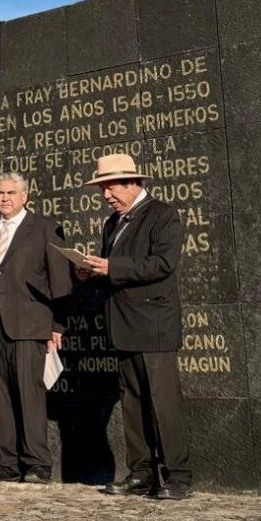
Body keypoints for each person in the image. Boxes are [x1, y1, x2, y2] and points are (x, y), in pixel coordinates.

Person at [76, 154, 192, 500]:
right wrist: (91, 273)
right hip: (122, 326)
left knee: (162, 403)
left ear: (133, 183)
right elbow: (113, 272)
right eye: (102, 189)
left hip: (154, 324)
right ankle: (141, 473)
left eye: (110, 188)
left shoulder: (163, 214)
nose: (106, 195)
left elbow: (162, 263)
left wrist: (112, 267)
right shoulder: (112, 223)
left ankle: (178, 477)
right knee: (132, 403)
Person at [0, 173, 73, 484]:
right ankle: (7, 464)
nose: (5, 198)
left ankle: (38, 464)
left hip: (29, 325)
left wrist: (57, 325)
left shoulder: (45, 229)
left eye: (11, 192)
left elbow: (60, 281)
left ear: (25, 196)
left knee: (30, 396)